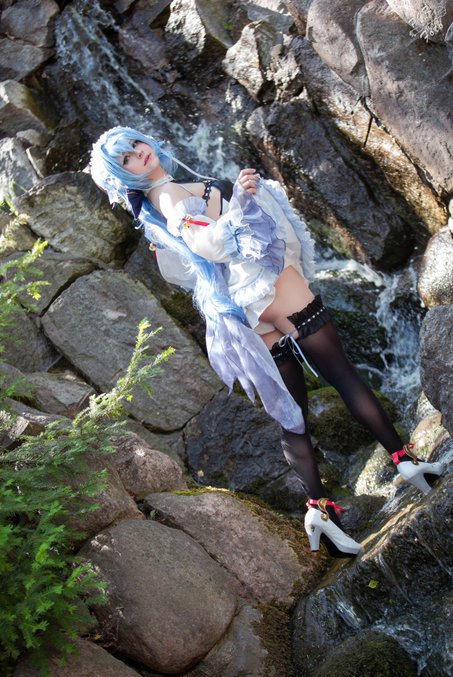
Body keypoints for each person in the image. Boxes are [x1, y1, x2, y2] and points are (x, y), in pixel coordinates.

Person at [90, 126, 444, 558]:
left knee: (292, 414)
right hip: (270, 285)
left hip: (249, 307)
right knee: (343, 376)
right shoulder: (166, 196)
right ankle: (405, 462)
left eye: (135, 145)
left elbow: (187, 266)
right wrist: (239, 201)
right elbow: (206, 243)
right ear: (121, 176)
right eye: (125, 159)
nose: (138, 155)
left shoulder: (164, 194)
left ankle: (318, 511)